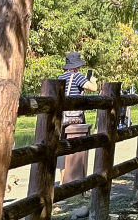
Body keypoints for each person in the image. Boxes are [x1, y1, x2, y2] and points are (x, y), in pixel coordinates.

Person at [57, 52, 97, 185]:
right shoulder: (77, 77)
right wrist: (93, 81)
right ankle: (75, 178)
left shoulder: (60, 77)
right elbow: (93, 88)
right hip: (75, 118)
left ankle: (62, 179)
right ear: (76, 66)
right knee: (76, 145)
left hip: (62, 117)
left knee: (62, 146)